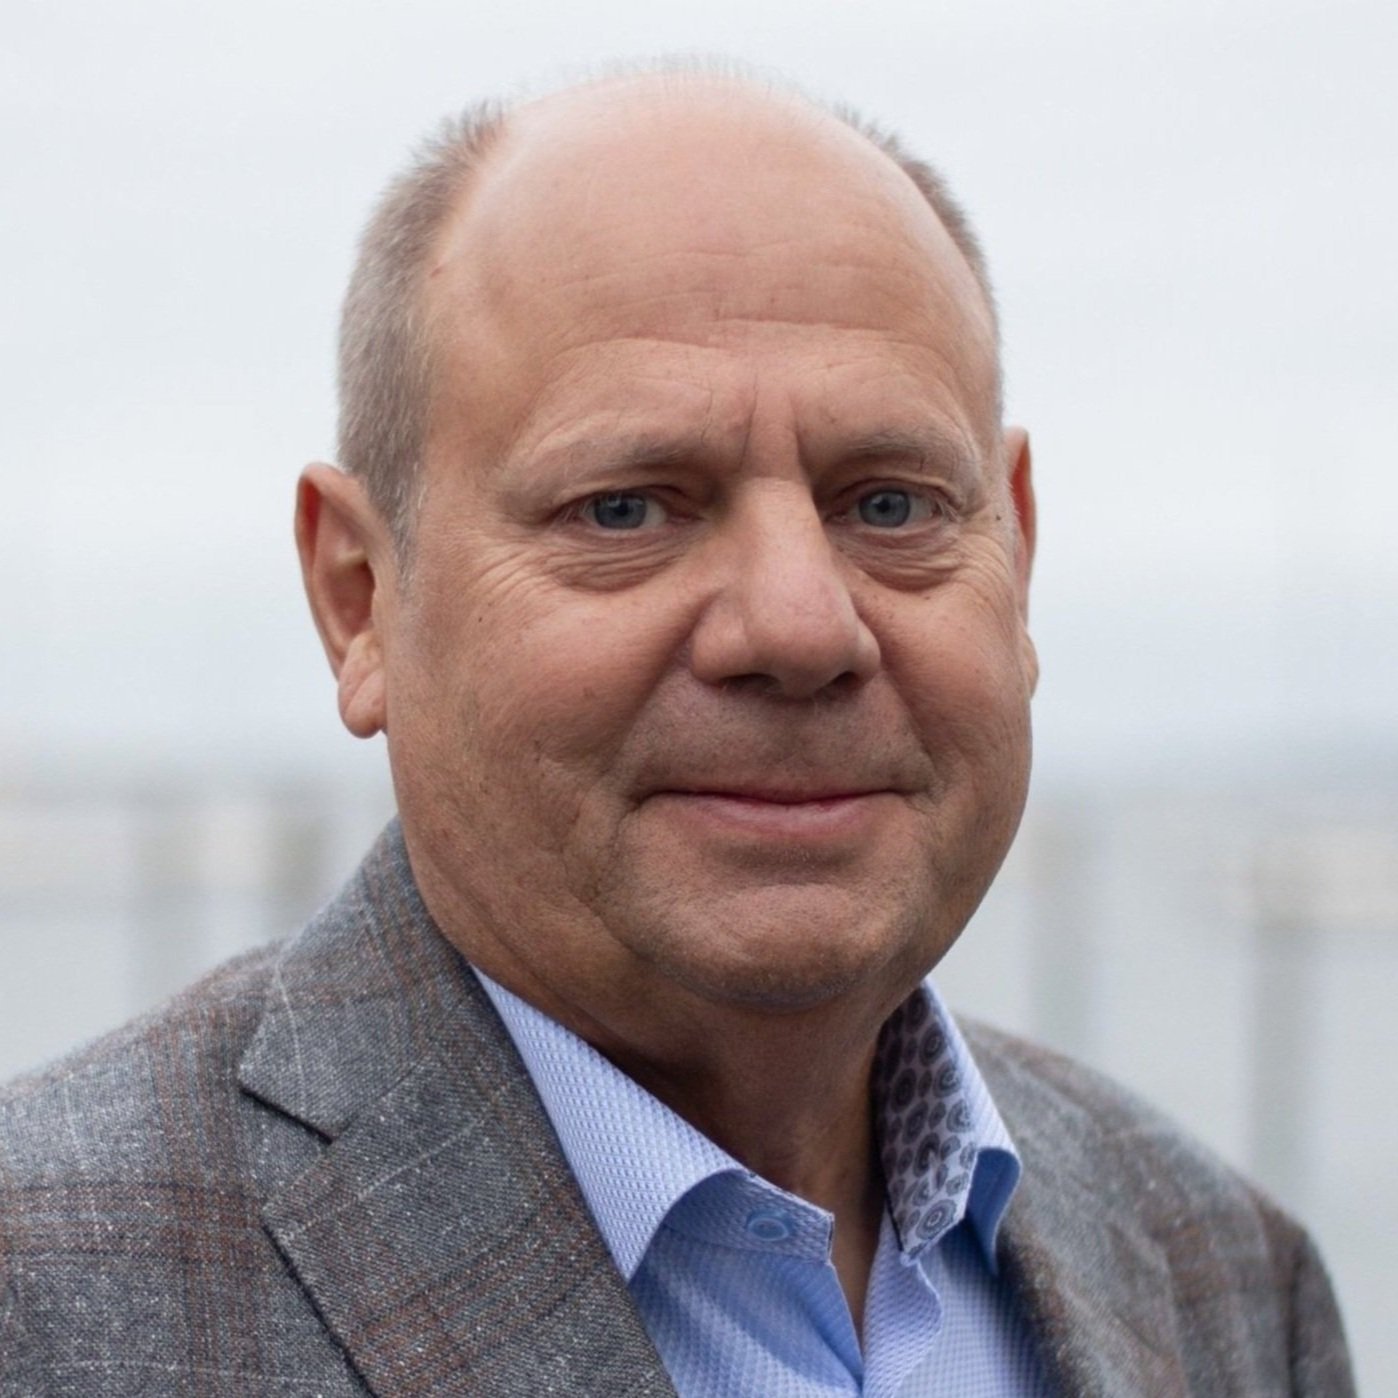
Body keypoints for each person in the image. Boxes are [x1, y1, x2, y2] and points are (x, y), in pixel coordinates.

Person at [0, 67, 1353, 1396]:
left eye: (889, 505)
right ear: (360, 598)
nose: (799, 626)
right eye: (626, 509)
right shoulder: (47, 1297)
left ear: (1018, 553)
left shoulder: (1221, 1275)